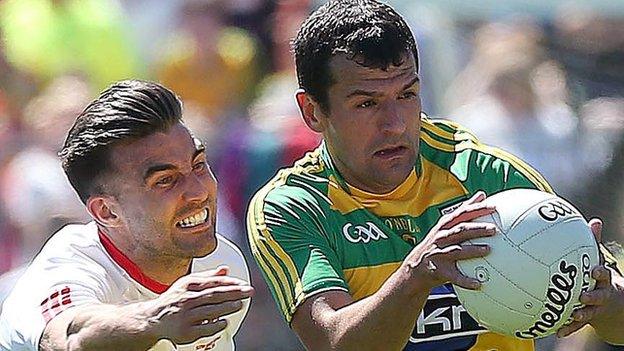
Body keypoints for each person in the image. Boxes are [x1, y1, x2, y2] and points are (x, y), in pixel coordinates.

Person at [246, 1, 624, 350]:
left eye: (407, 95)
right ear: (312, 111)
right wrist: (417, 274)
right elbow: (332, 342)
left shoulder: (486, 177)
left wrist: (604, 301)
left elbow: (617, 317)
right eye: (367, 103)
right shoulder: (292, 207)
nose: (394, 124)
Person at [0, 80, 253, 351]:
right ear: (106, 212)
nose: (198, 192)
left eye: (198, 165)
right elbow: (69, 337)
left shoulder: (223, 264)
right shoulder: (66, 270)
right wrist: (155, 319)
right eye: (165, 180)